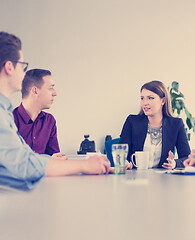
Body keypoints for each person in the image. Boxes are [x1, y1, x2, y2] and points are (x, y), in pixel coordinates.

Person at [0, 31, 112, 190]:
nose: (24, 73)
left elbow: (26, 158)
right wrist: (83, 166)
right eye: (23, 66)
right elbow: (24, 165)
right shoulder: (4, 114)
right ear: (9, 67)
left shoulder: (5, 110)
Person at [119, 80, 191, 169]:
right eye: (142, 98)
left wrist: (174, 164)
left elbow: (187, 158)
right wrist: (124, 162)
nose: (145, 103)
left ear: (163, 101)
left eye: (150, 98)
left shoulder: (176, 124)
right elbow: (120, 152)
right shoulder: (132, 122)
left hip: (163, 178)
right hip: (135, 178)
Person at [13, 68, 66, 159]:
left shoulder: (49, 121)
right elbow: (11, 161)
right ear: (35, 91)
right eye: (50, 88)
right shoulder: (9, 120)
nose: (55, 93)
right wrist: (49, 159)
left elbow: (55, 158)